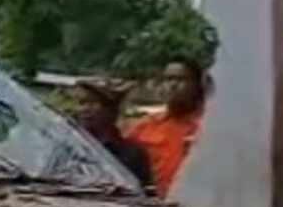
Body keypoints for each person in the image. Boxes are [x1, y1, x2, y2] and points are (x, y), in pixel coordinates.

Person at [126, 56, 206, 197]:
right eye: (168, 79)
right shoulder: (144, 127)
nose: (173, 85)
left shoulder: (209, 127)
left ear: (197, 85)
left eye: (181, 79)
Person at [70, 79, 152, 190]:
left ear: (111, 110)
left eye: (92, 103)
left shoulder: (132, 154)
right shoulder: (68, 149)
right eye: (81, 103)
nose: (84, 109)